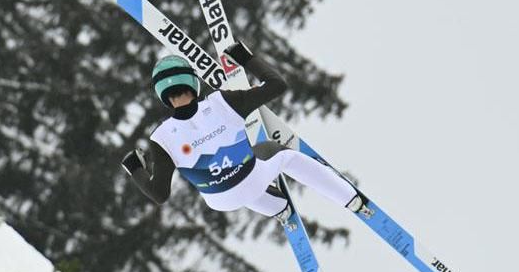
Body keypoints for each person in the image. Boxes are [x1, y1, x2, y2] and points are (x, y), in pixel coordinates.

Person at [120, 42, 370, 225]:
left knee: (239, 175)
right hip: (252, 178)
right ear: (192, 81)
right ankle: (350, 199)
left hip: (219, 201)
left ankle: (279, 208)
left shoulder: (161, 137)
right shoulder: (221, 102)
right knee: (279, 154)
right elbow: (277, 85)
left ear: (161, 94)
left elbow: (159, 194)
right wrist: (247, 58)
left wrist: (135, 169)